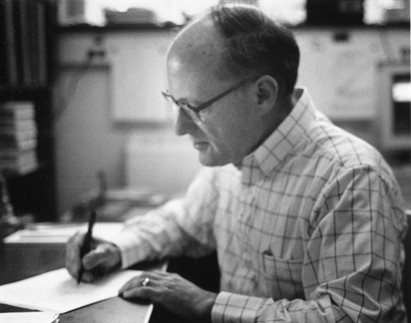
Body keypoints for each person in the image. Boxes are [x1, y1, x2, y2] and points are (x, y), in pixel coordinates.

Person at [65, 4, 408, 322]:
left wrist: (208, 304)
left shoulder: (351, 178)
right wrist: (115, 247)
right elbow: (184, 223)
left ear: (262, 95)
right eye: (175, 102)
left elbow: (351, 316)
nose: (179, 127)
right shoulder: (235, 155)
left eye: (195, 108)